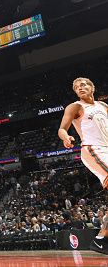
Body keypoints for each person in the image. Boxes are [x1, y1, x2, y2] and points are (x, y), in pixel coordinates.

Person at [58, 77, 108, 255]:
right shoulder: (75, 106)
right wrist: (66, 137)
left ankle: (101, 240)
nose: (80, 88)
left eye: (84, 85)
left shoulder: (103, 107)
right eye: (77, 87)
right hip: (93, 149)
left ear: (92, 87)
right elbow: (62, 128)